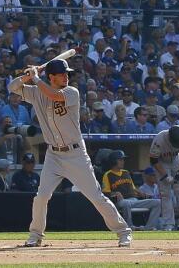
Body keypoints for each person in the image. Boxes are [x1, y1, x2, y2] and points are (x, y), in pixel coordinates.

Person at [9, 58, 132, 248]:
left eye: (67, 73)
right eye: (61, 74)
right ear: (51, 76)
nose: (66, 76)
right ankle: (35, 235)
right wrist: (28, 75)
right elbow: (12, 87)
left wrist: (37, 79)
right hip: (53, 155)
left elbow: (54, 95)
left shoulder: (71, 92)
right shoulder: (35, 92)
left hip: (75, 154)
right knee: (41, 196)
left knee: (96, 196)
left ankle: (123, 231)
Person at [102, 151, 161, 230]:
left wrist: (142, 194)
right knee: (126, 203)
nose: (123, 161)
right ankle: (129, 227)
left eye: (123, 160)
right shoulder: (108, 174)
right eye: (120, 160)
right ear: (114, 161)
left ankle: (148, 227)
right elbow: (105, 193)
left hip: (134, 200)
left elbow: (133, 188)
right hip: (121, 201)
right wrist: (115, 193)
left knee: (158, 202)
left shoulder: (126, 172)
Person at [148, 125, 179, 230]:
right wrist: (165, 176)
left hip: (176, 160)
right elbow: (153, 161)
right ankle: (168, 224)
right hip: (162, 162)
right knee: (165, 193)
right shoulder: (160, 139)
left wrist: (177, 178)